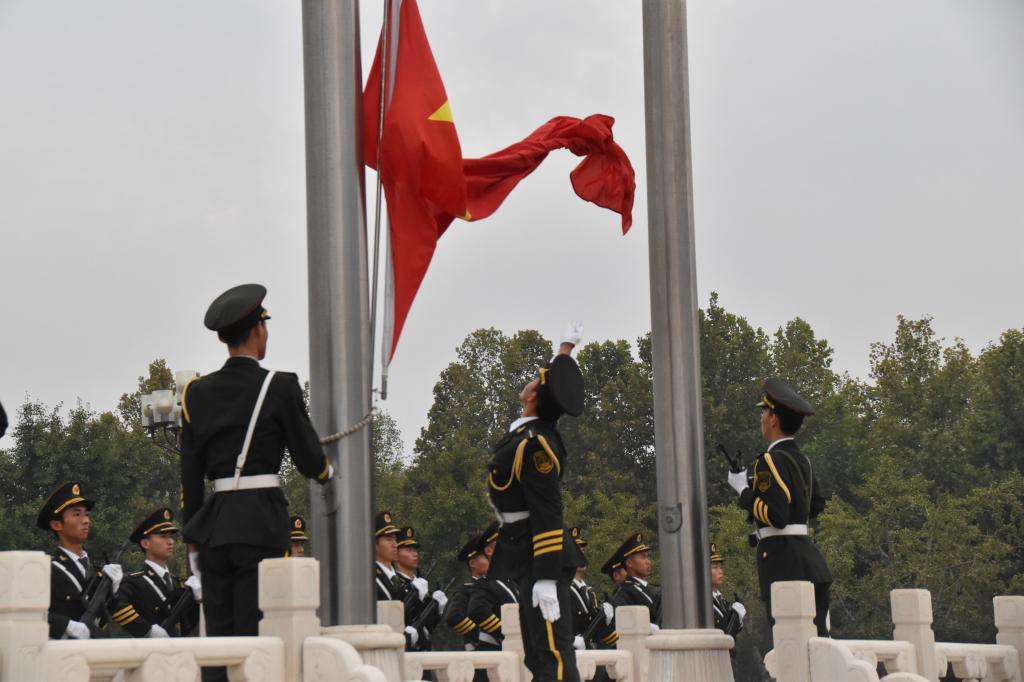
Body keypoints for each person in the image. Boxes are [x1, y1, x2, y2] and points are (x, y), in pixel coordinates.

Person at [180, 283, 334, 678]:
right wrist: (326, 472)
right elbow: (307, 458)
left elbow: (190, 473)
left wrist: (193, 534)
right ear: (258, 330)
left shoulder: (195, 393)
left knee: (218, 637)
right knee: (256, 633)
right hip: (260, 523)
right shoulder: (278, 385)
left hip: (213, 527)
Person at [487, 322, 587, 682]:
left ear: (533, 397)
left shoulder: (535, 445)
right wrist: (564, 350)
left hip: (539, 555)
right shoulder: (530, 433)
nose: (531, 381)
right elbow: (555, 387)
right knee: (537, 655)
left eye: (537, 380)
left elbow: (548, 510)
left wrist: (545, 576)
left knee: (552, 658)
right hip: (525, 554)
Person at [726, 378, 832, 639]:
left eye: (764, 411)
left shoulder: (769, 461)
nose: (761, 417)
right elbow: (814, 505)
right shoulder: (802, 460)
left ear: (774, 418)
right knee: (817, 641)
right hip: (810, 561)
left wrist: (744, 490)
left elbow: (777, 516)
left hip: (783, 562)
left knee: (791, 643)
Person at [37, 481, 123, 639]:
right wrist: (65, 625)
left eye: (86, 514)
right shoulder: (46, 569)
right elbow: (30, 614)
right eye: (77, 514)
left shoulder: (96, 573)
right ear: (57, 524)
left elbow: (103, 620)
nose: (86, 520)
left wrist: (113, 591)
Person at [110, 508, 201, 638]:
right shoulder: (134, 582)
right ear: (145, 543)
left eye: (170, 536)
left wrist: (197, 602)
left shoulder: (176, 583)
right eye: (163, 536)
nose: (170, 541)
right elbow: (118, 608)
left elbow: (188, 625)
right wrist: (147, 630)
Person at [446, 529, 492, 682]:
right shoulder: (466, 589)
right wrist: (480, 635)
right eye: (485, 557)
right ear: (473, 563)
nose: (491, 560)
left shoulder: (497, 586)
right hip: (478, 651)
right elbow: (454, 617)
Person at [394, 526, 448, 654]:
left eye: (415, 550)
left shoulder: (420, 583)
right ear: (396, 555)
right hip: (405, 650)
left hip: (424, 650)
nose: (415, 554)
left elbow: (429, 626)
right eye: (408, 550)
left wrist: (437, 610)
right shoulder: (397, 584)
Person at [373, 511, 420, 648]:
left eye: (395, 539)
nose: (394, 544)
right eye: (388, 539)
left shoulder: (398, 579)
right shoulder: (370, 578)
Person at [609, 532, 661, 630]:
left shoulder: (650, 588)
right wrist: (648, 627)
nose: (648, 561)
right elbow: (624, 621)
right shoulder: (624, 591)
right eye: (642, 557)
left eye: (647, 556)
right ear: (629, 563)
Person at [710, 542, 745, 641]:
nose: (721, 571)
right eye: (715, 567)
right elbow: (724, 635)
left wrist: (737, 617)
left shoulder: (720, 599)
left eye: (720, 567)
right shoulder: (703, 602)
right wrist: (735, 615)